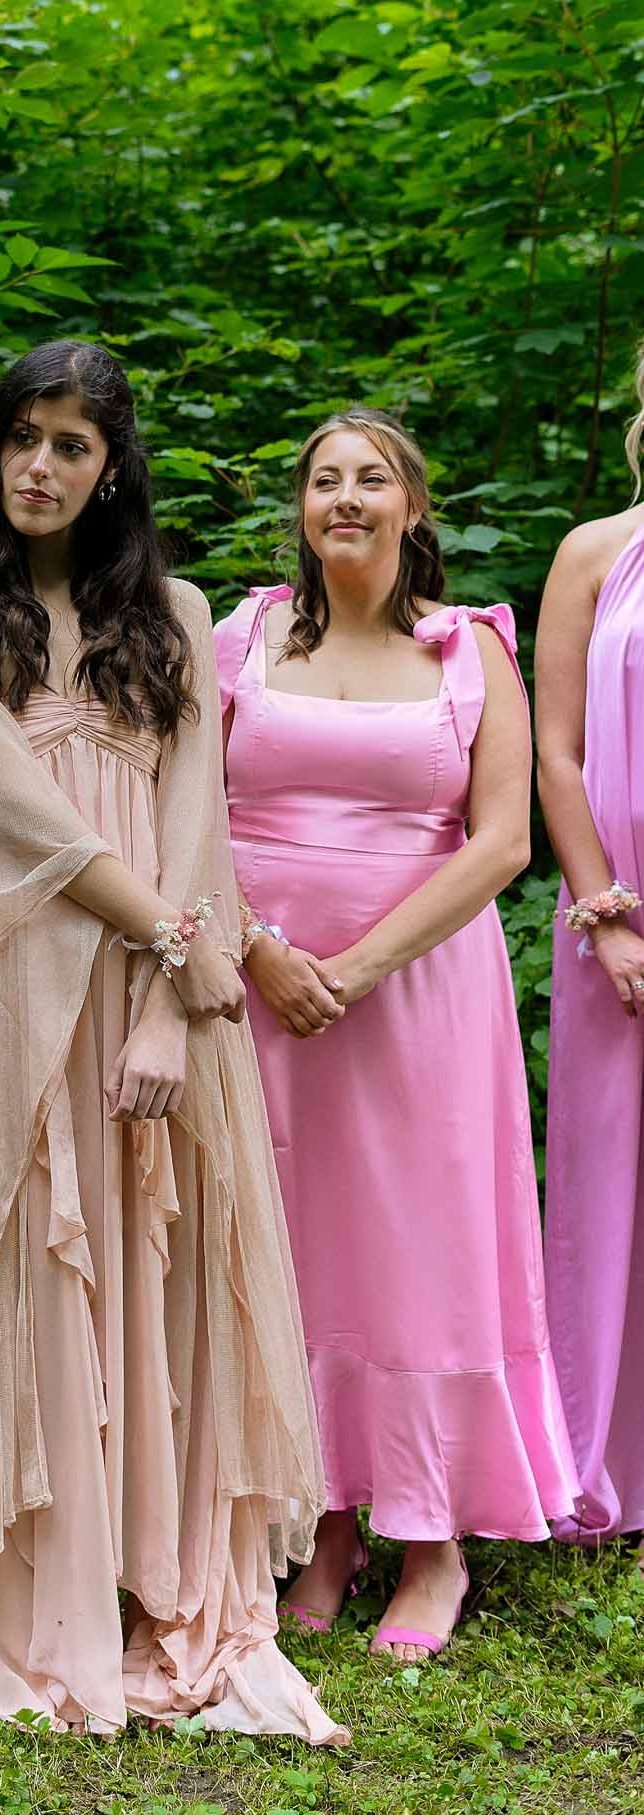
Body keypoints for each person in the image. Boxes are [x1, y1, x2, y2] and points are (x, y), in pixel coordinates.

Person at [0, 339, 344, 1741]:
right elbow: (13, 819)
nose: (39, 466)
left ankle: (160, 1585)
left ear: (111, 466)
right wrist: (176, 946)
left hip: (151, 999)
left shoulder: (181, 615)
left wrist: (164, 997)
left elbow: (193, 817)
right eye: (21, 436)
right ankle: (35, 1600)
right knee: (21, 1267)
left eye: (71, 444)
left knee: (157, 1270)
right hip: (1, 983)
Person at [214, 407, 579, 1664]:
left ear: (412, 508)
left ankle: (433, 1538)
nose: (346, 498)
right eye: (323, 480)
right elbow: (181, 809)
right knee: (293, 1237)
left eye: (371, 478)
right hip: (259, 983)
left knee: (418, 1243)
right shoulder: (241, 634)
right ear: (301, 512)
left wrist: (358, 965)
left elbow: (502, 841)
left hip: (413, 989)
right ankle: (322, 1519)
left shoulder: (468, 648)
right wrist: (258, 947)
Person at [536, 346, 644, 1553]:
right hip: (612, 924)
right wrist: (602, 910)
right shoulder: (591, 552)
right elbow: (553, 748)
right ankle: (596, 1470)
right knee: (605, 1197)